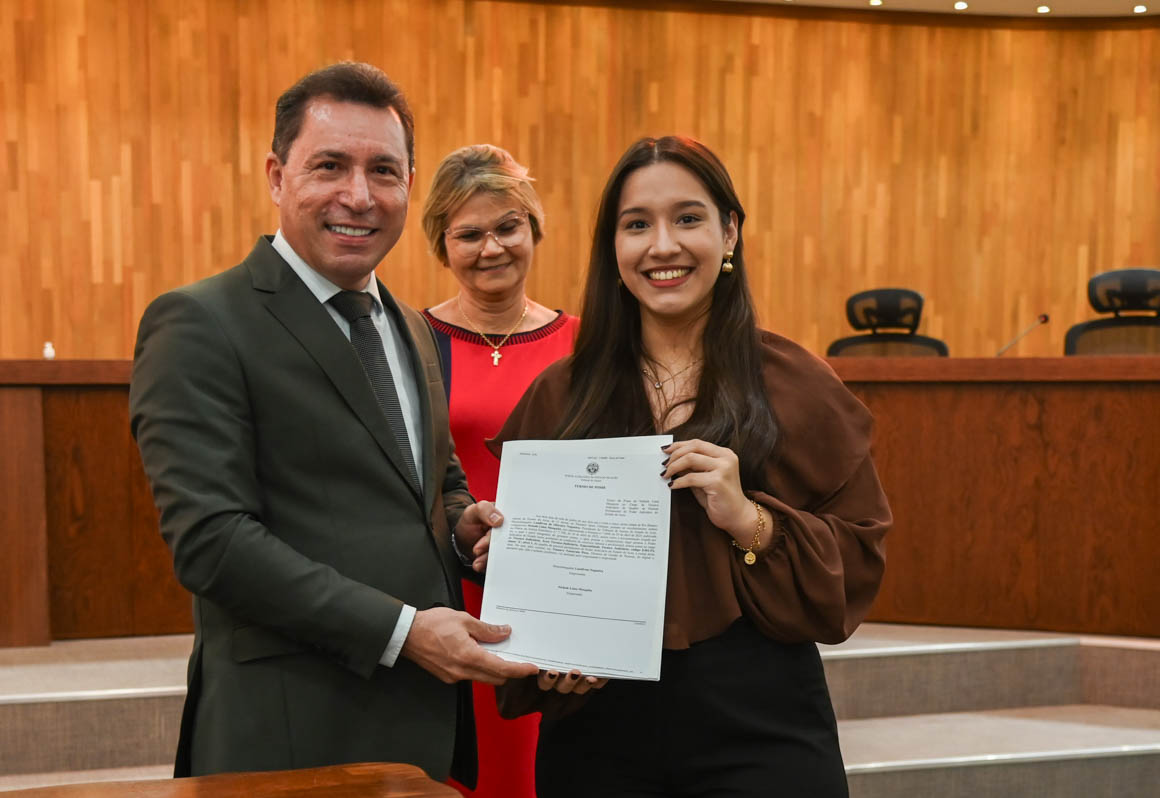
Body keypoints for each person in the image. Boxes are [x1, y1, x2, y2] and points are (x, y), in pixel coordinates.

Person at [128, 62, 536, 785]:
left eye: (384, 170)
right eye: (330, 166)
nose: (359, 195)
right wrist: (404, 632)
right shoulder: (200, 323)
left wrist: (462, 522)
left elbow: (431, 477)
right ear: (276, 176)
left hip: (422, 723)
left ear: (409, 185)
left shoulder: (410, 326)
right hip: (292, 730)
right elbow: (212, 542)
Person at [492, 136, 892, 797]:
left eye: (687, 218)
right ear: (612, 247)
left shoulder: (796, 386)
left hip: (760, 720)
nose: (662, 246)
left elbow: (859, 559)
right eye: (636, 225)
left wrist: (751, 519)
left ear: (729, 231)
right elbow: (524, 565)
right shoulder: (561, 395)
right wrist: (539, 632)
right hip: (597, 727)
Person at [419, 145, 579, 798]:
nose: (492, 248)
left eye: (508, 226)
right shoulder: (411, 342)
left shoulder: (585, 344)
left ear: (534, 228)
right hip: (445, 605)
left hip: (560, 600)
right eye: (469, 234)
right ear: (442, 245)